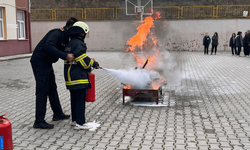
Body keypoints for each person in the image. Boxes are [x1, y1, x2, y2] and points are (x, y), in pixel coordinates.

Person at [30, 17, 78, 129]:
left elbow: (63, 51)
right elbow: (48, 46)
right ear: (71, 28)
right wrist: (65, 56)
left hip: (46, 63)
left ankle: (58, 114)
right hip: (40, 62)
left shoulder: (66, 37)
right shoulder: (57, 33)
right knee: (42, 90)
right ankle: (39, 121)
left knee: (52, 88)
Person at [64, 21, 100, 130]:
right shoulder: (79, 44)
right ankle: (80, 123)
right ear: (82, 33)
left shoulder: (70, 43)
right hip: (78, 77)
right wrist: (93, 64)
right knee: (80, 100)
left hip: (70, 77)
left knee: (74, 99)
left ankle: (74, 120)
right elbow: (81, 59)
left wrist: (88, 60)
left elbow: (78, 57)